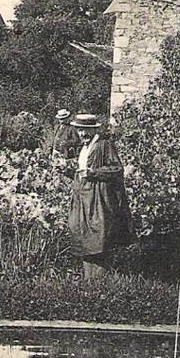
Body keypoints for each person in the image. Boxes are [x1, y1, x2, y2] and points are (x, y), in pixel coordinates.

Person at [66, 114, 134, 281]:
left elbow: (117, 169)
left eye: (86, 130)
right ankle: (88, 282)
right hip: (82, 198)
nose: (82, 134)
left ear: (95, 129)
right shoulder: (84, 147)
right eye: (80, 130)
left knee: (98, 239)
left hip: (98, 198)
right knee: (83, 237)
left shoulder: (104, 145)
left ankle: (99, 284)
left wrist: (94, 173)